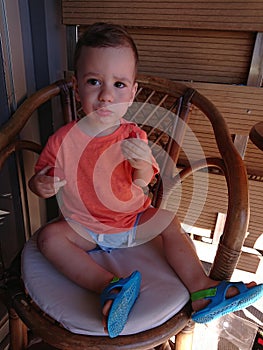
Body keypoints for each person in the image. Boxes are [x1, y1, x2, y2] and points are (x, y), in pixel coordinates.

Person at [29, 22, 263, 338]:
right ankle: (110, 288)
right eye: (94, 81)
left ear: (134, 91)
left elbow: (143, 182)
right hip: (84, 228)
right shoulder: (62, 140)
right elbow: (41, 180)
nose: (106, 96)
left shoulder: (133, 135)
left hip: (133, 220)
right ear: (77, 87)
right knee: (49, 239)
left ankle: (201, 288)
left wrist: (139, 162)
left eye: (119, 84)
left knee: (167, 220)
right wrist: (40, 185)